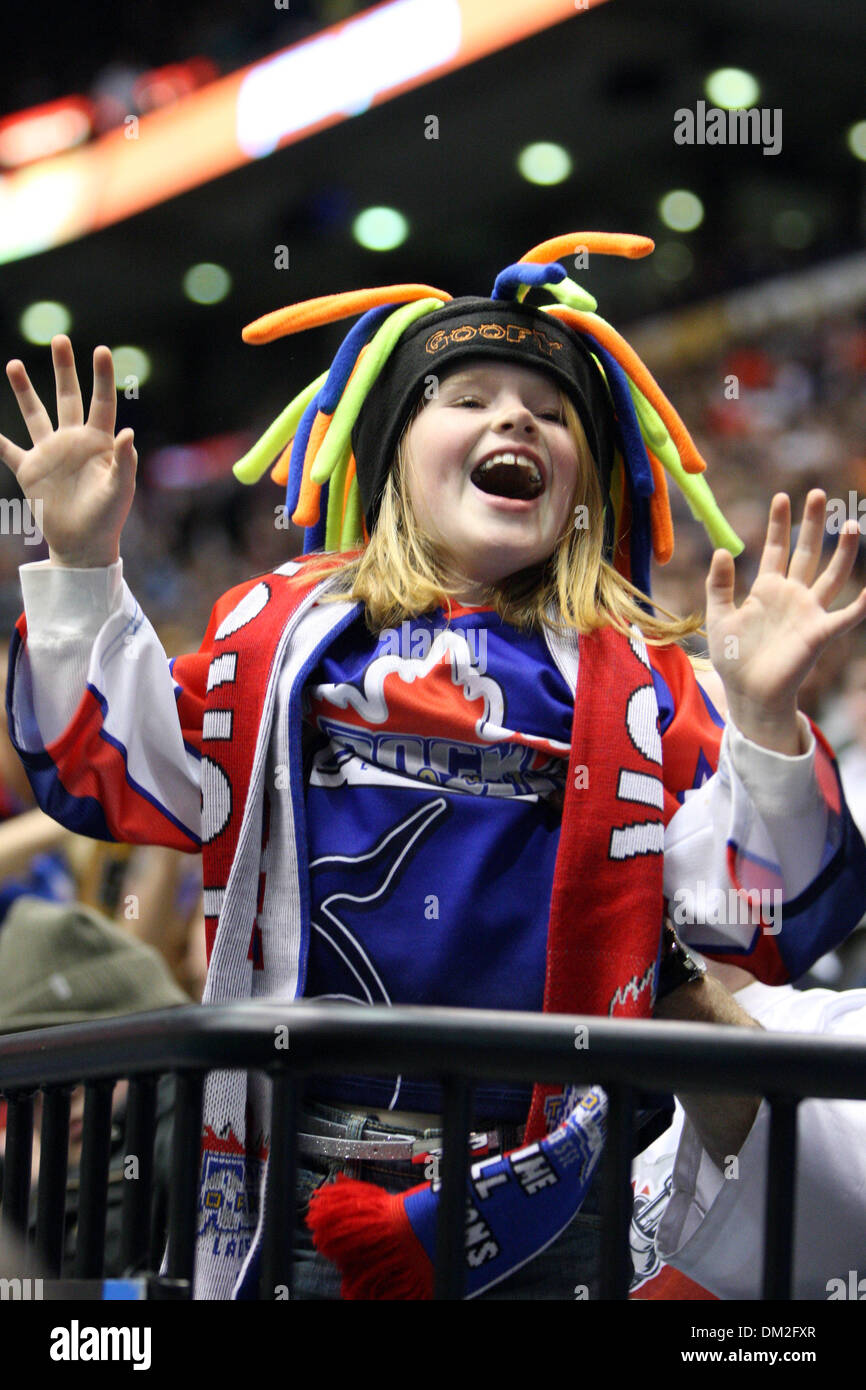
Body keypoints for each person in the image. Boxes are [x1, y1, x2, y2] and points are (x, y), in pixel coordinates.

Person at [1, 230, 865, 1299]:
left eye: (550, 414)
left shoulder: (637, 684)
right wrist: (82, 568)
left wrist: (764, 721)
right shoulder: (280, 637)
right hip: (301, 1194)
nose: (516, 419)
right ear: (393, 455)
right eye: (469, 398)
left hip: (550, 1201)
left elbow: (756, 918)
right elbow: (108, 763)